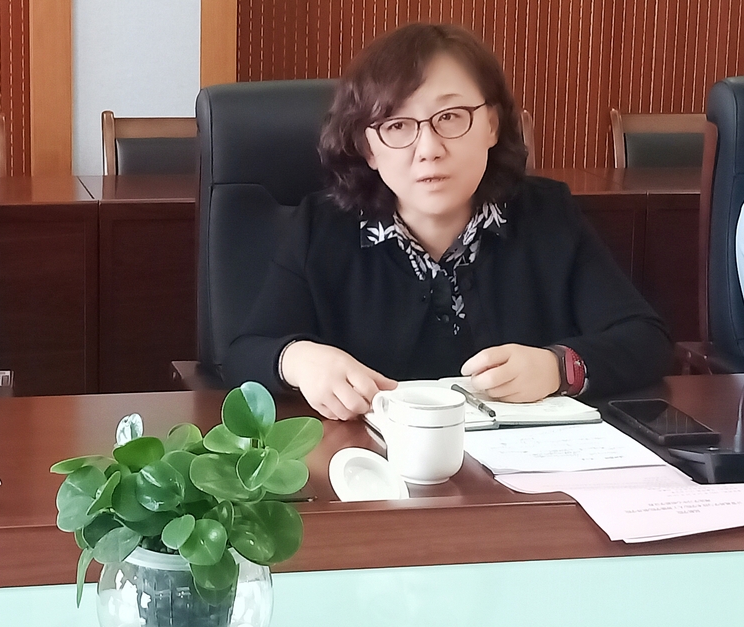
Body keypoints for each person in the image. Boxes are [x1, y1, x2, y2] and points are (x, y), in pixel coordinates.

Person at [223, 23, 672, 420]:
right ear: (367, 147)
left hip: (518, 472)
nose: (429, 149)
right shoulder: (321, 228)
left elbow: (644, 339)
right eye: (397, 126)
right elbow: (244, 353)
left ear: (492, 125)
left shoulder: (546, 215)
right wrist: (299, 360)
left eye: (450, 117)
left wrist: (557, 367)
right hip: (369, 468)